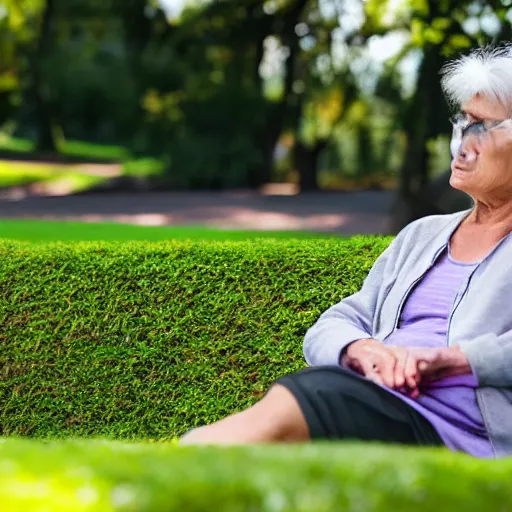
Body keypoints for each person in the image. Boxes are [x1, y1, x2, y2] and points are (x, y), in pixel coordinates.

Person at [181, 45, 512, 459]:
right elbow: (336, 321)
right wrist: (361, 350)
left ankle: (161, 472)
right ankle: (171, 470)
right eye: (461, 121)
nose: (462, 140)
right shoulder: (421, 236)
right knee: (307, 397)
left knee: (304, 398)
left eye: (481, 125)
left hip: (458, 433)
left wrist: (454, 361)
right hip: (376, 401)